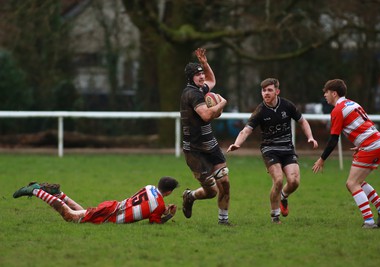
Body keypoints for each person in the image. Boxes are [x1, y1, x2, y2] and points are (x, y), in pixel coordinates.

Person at [227, 78, 318, 224]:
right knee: (279, 180)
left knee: (294, 182)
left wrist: (310, 137)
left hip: (287, 148)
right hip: (270, 149)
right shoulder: (260, 111)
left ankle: (283, 196)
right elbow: (245, 131)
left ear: (277, 91)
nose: (266, 93)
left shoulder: (287, 105)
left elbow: (302, 121)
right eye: (263, 90)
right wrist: (237, 144)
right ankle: (275, 216)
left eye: (269, 90)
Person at [312, 79, 380, 229]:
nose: (324, 95)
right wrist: (361, 144)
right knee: (359, 181)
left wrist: (322, 159)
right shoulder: (352, 103)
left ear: (334, 93)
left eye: (326, 92)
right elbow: (365, 125)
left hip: (372, 146)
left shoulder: (337, 110)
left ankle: (368, 222)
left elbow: (333, 140)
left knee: (351, 183)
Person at [180, 48, 231, 225]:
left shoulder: (200, 88)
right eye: (197, 75)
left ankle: (223, 221)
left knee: (224, 181)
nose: (202, 77)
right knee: (211, 191)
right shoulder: (192, 94)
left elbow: (212, 80)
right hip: (194, 150)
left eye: (201, 74)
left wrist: (204, 63)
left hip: (211, 144)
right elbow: (207, 115)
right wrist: (222, 104)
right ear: (190, 78)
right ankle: (190, 196)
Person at [13, 177, 179, 224]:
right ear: (169, 192)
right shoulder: (159, 205)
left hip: (113, 206)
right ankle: (35, 190)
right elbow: (154, 221)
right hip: (111, 216)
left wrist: (162, 209)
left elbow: (147, 205)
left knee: (82, 212)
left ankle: (59, 194)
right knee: (69, 216)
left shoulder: (149, 187)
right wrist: (168, 215)